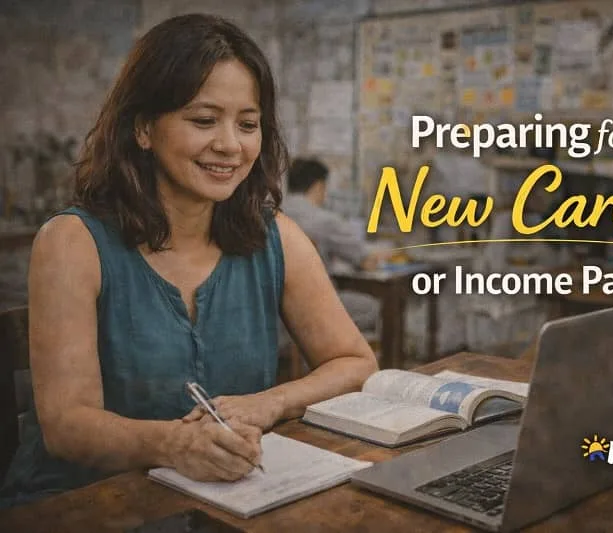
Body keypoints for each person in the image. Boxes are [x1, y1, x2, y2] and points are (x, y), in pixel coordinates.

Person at [0, 14, 378, 508]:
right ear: (143, 128)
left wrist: (270, 403)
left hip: (223, 502)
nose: (230, 145)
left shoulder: (275, 236)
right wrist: (175, 444)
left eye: (248, 124)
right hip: (81, 505)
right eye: (203, 120)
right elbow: (67, 426)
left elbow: (355, 363)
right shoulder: (72, 242)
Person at [282, 158, 389, 331]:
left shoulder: (272, 214)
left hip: (278, 308)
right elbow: (365, 260)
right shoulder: (325, 220)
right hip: (313, 306)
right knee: (370, 308)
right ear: (319, 186)